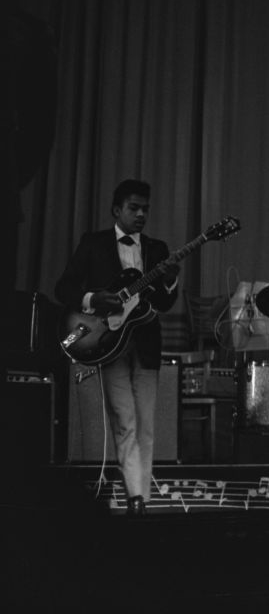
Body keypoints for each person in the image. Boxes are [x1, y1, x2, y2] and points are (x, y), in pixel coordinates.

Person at [55, 179, 179, 515]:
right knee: (125, 421)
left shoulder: (158, 249)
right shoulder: (93, 243)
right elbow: (63, 287)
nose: (141, 215)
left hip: (146, 343)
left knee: (146, 423)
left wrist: (171, 277)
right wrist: (93, 298)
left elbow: (166, 303)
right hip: (108, 343)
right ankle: (136, 498)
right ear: (117, 210)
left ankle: (142, 498)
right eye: (134, 208)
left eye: (145, 209)